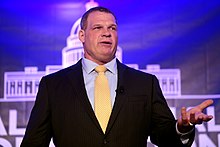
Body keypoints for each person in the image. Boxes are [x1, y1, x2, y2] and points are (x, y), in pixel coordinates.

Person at [21, 6, 213, 147]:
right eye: (98, 28)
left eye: (112, 28)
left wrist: (183, 127)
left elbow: (165, 139)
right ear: (81, 35)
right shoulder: (53, 85)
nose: (107, 34)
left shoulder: (145, 84)